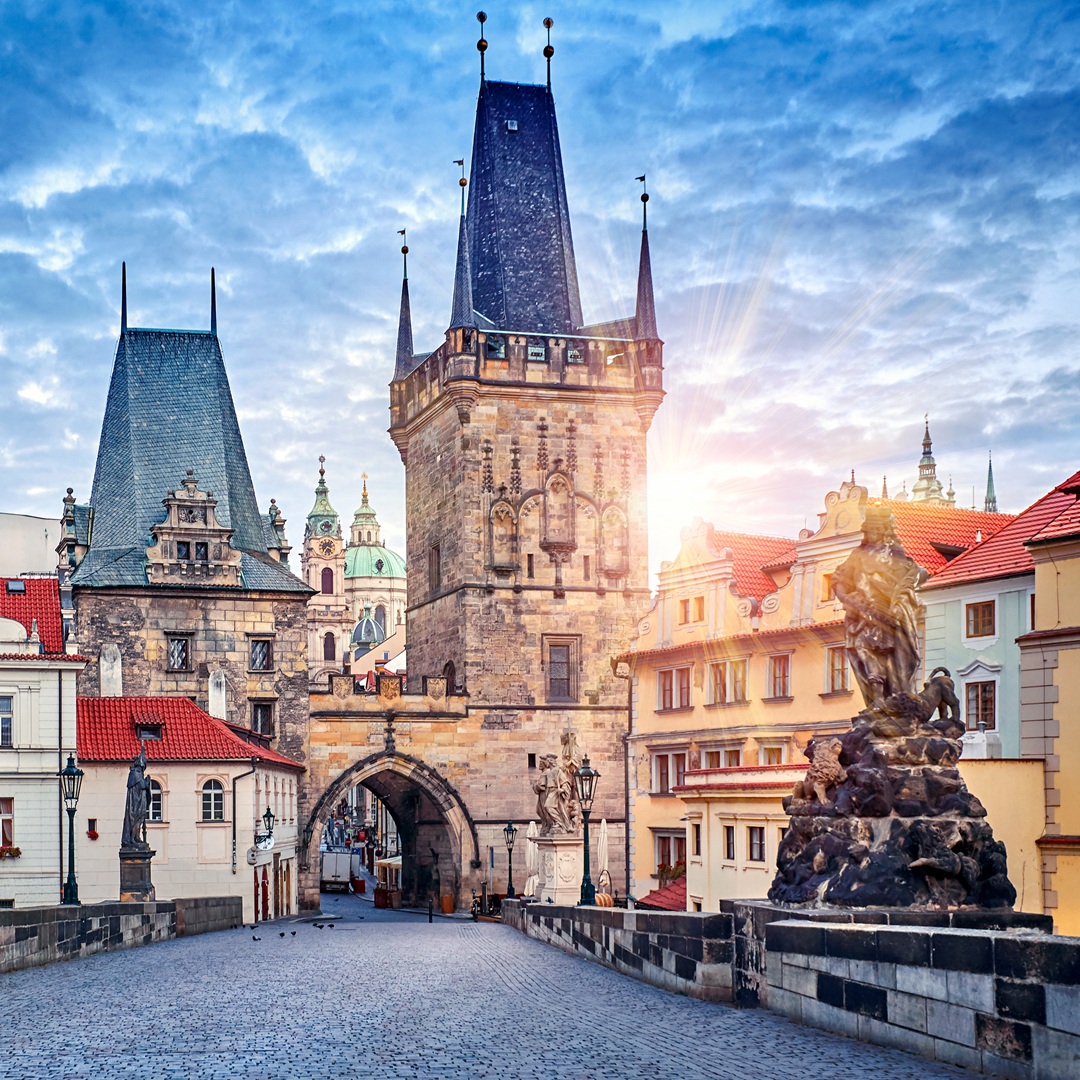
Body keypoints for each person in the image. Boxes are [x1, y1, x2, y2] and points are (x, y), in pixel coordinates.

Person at [832, 505, 923, 707]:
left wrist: (899, 604)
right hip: (863, 618)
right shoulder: (857, 555)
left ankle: (897, 702)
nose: (873, 535)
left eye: (877, 530)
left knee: (895, 664)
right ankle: (877, 703)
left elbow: (910, 578)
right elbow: (839, 581)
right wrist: (848, 599)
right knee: (864, 655)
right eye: (869, 530)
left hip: (890, 616)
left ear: (885, 530)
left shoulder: (895, 554)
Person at [121, 745, 152, 849]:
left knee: (139, 819)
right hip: (136, 804)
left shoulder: (138, 773)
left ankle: (137, 837)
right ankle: (132, 838)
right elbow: (142, 785)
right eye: (143, 765)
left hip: (140, 802)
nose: (144, 767)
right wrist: (147, 782)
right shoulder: (135, 773)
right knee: (135, 819)